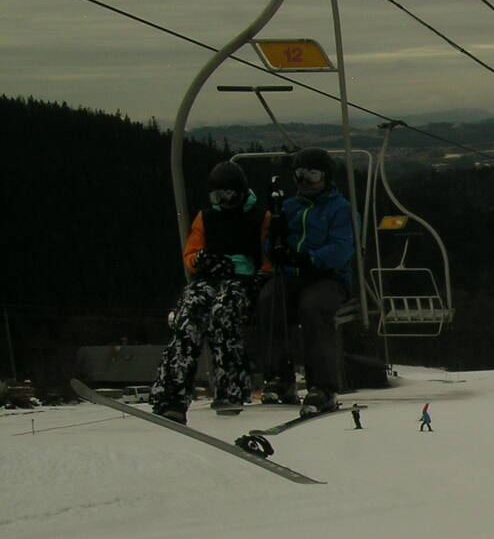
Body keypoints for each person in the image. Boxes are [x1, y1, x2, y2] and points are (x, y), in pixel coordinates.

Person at [149, 161, 273, 424]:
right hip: (209, 279)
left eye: (228, 195)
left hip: (242, 281)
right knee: (188, 319)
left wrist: (257, 276)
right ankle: (172, 394)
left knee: (222, 315)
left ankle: (230, 388)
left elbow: (268, 257)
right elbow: (191, 253)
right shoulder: (206, 218)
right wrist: (201, 261)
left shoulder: (259, 218)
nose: (223, 202)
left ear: (240, 193)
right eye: (217, 196)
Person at [257, 148, 355, 413]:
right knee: (269, 301)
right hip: (293, 276)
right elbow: (270, 243)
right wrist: (275, 248)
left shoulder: (339, 208)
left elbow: (342, 248)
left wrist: (310, 258)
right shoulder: (289, 207)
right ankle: (279, 377)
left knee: (313, 308)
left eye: (312, 175)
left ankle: (323, 386)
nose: (305, 182)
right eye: (299, 175)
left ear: (326, 177)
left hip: (328, 278)